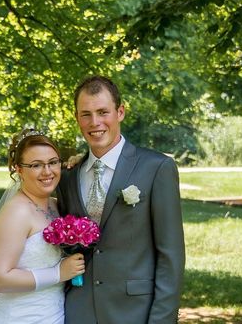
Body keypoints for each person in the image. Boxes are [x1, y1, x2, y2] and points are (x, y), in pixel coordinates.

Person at [57, 75, 185, 324]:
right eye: (86, 114)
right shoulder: (69, 176)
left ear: (121, 112)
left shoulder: (157, 168)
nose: (95, 123)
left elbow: (171, 256)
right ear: (77, 118)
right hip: (78, 311)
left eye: (103, 112)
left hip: (135, 312)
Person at [0, 129, 85, 323]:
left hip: (52, 314)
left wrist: (81, 165)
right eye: (36, 165)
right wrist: (58, 273)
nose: (47, 172)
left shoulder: (54, 205)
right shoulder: (16, 212)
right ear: (19, 170)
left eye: (53, 162)